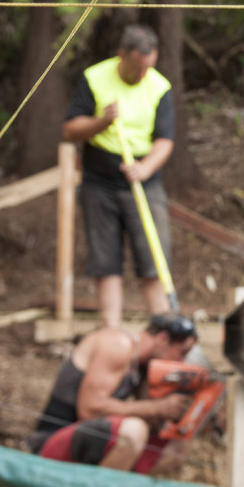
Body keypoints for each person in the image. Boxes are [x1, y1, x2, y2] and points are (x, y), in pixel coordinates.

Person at [62, 24, 175, 327]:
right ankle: (111, 333)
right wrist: (103, 121)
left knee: (153, 261)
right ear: (121, 54)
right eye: (137, 67)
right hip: (99, 182)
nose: (142, 75)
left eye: (148, 68)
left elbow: (165, 140)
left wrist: (145, 167)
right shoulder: (95, 77)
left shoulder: (159, 87)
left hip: (144, 181)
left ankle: (164, 330)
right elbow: (71, 128)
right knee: (106, 262)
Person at [26, 312, 197, 474]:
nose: (181, 361)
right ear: (162, 339)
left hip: (90, 446)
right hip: (51, 442)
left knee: (178, 447)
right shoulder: (118, 344)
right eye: (181, 353)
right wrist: (156, 407)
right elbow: (89, 410)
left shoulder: (141, 366)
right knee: (133, 432)